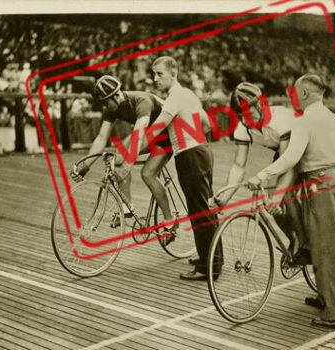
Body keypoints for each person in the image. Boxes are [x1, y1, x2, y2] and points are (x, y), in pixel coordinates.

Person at [248, 74, 335, 331]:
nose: (291, 97)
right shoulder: (334, 119)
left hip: (322, 185)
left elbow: (290, 158)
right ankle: (327, 297)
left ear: (305, 94)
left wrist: (261, 175)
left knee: (327, 250)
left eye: (294, 93)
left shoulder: (304, 120)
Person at [71, 75, 177, 239]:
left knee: (147, 174)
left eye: (106, 103)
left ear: (116, 95)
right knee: (116, 158)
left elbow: (140, 132)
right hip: (149, 132)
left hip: (170, 132)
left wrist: (128, 162)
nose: (105, 107)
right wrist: (85, 165)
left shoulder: (141, 100)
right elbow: (101, 137)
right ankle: (126, 208)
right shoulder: (111, 107)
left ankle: (170, 222)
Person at [214, 82, 309, 262]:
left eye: (250, 115)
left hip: (303, 150)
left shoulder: (281, 119)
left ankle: (305, 246)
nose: (246, 121)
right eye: (241, 117)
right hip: (282, 153)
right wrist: (225, 196)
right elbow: (238, 164)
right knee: (270, 203)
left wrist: (278, 196)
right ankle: (294, 238)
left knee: (283, 195)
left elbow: (289, 162)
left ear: (261, 105)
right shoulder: (243, 127)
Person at [148, 56, 222, 281]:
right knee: (205, 209)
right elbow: (208, 125)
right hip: (202, 151)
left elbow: (154, 130)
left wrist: (128, 153)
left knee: (199, 211)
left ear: (174, 73)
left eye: (160, 74)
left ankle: (207, 268)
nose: (155, 79)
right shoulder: (188, 94)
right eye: (153, 74)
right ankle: (210, 259)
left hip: (189, 156)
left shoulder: (174, 98)